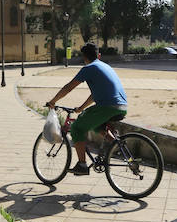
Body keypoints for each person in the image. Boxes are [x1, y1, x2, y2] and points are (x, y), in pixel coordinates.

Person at [46, 42, 127, 175]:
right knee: (95, 125)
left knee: (77, 128)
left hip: (107, 107)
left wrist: (53, 101)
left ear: (84, 57)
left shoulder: (89, 68)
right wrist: (81, 107)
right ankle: (115, 144)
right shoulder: (105, 66)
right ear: (99, 55)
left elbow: (69, 87)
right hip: (122, 106)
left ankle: (82, 165)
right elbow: (95, 95)